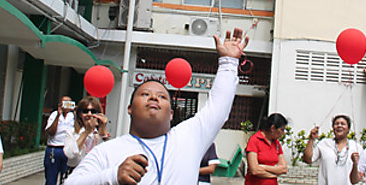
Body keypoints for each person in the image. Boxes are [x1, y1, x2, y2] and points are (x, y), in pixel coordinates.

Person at [65, 28, 248, 185]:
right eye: (145, 94)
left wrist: (228, 63)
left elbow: (218, 108)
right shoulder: (107, 151)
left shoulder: (188, 137)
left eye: (162, 96)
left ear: (170, 114)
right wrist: (112, 176)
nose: (153, 97)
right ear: (130, 109)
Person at [302, 114, 363, 185]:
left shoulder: (357, 147)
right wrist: (311, 139)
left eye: (343, 124)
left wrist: (355, 164)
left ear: (348, 128)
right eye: (336, 124)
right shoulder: (324, 143)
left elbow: (356, 179)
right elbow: (308, 160)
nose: (339, 126)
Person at [63, 96, 110, 167]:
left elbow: (108, 154)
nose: (89, 114)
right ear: (80, 114)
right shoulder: (71, 132)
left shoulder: (99, 134)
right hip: (75, 172)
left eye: (93, 111)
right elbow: (69, 154)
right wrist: (86, 132)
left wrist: (103, 126)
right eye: (85, 111)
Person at [244, 113, 289, 184]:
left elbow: (283, 169)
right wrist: (273, 175)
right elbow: (255, 170)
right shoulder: (254, 140)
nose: (283, 133)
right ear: (273, 128)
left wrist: (263, 167)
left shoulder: (276, 143)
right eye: (282, 130)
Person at [45, 95, 76, 185]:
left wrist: (76, 114)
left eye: (69, 103)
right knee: (51, 179)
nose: (66, 106)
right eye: (64, 103)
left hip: (67, 149)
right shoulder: (54, 115)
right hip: (54, 148)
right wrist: (58, 115)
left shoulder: (73, 116)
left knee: (67, 178)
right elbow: (50, 132)